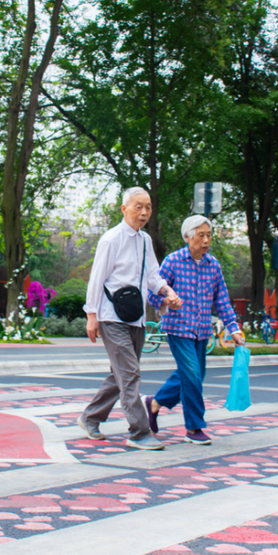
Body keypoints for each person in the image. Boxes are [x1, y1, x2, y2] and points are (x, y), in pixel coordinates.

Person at [78, 187, 182, 450]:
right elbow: (96, 278)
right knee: (130, 373)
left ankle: (89, 417)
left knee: (120, 375)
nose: (144, 212)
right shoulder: (111, 239)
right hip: (111, 317)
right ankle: (139, 431)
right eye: (138, 206)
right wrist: (92, 315)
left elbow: (152, 276)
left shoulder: (145, 240)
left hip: (136, 317)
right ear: (124, 209)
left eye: (148, 207)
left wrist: (167, 292)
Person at [144, 215, 244, 445]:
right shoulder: (173, 261)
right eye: (201, 235)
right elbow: (152, 291)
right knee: (192, 374)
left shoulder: (213, 264)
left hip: (201, 330)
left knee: (194, 375)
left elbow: (222, 301)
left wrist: (234, 329)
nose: (206, 240)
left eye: (209, 235)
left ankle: (155, 403)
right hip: (178, 328)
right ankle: (194, 428)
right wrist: (167, 300)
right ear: (188, 236)